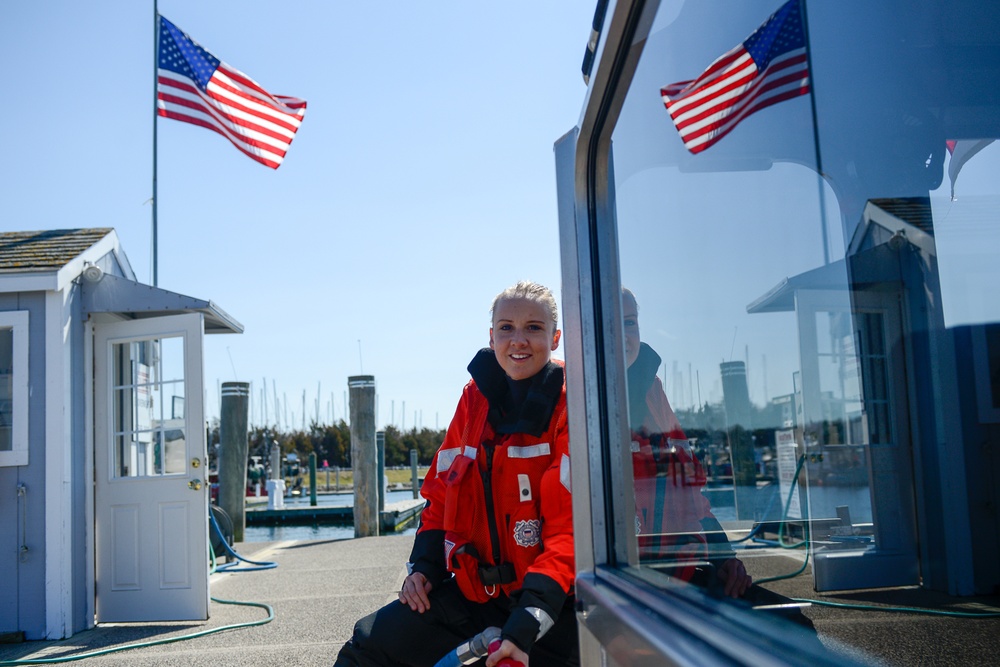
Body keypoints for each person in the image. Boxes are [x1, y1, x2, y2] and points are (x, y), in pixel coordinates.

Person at [335, 281, 577, 667]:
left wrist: (530, 617)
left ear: (556, 337)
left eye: (533, 327)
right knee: (370, 646)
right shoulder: (474, 398)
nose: (518, 339)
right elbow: (442, 495)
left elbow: (571, 531)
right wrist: (424, 570)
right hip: (476, 596)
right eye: (506, 327)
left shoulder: (572, 404)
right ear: (492, 335)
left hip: (551, 602)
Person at [622, 288, 752, 598]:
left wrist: (725, 558)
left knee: (790, 625)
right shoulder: (568, 399)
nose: (622, 335)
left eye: (630, 323)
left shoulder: (652, 390)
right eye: (608, 324)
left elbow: (692, 497)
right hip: (623, 589)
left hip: (676, 579)